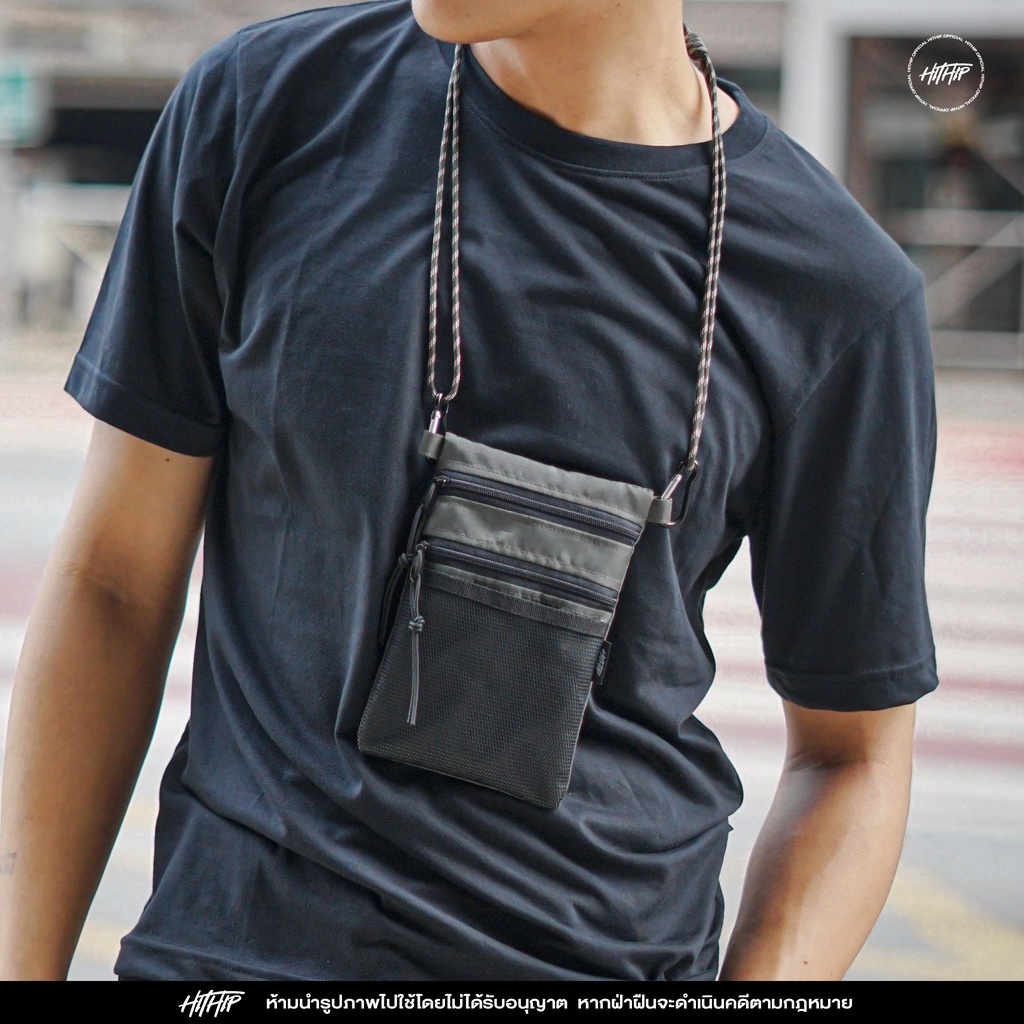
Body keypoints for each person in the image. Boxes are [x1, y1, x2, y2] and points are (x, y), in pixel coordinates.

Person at [0, 0, 937, 981]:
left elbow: (853, 756)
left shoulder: (839, 292)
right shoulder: (263, 107)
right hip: (229, 958)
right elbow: (114, 585)